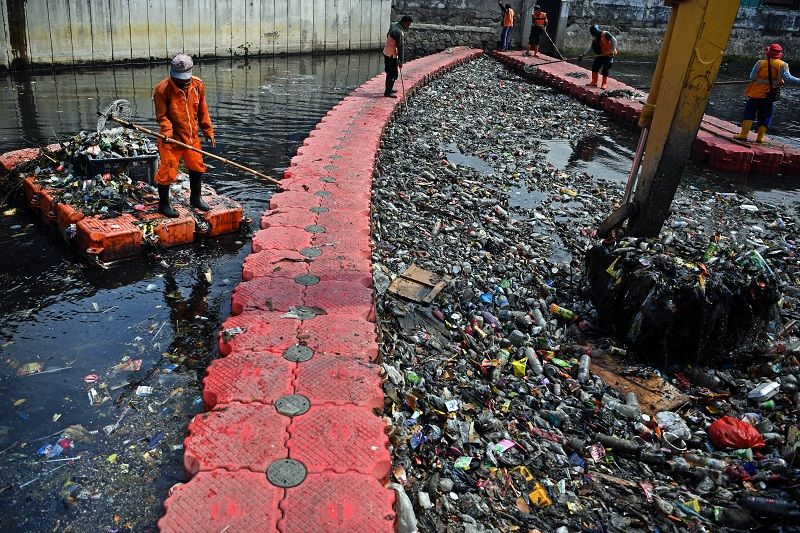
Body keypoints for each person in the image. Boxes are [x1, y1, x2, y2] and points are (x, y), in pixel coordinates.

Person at [153, 54, 215, 218]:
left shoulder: (197, 85)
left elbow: (202, 110)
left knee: (197, 165)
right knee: (167, 171)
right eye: (179, 79)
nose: (184, 81)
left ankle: (196, 198)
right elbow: (162, 116)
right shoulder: (161, 90)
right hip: (171, 138)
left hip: (191, 135)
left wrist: (207, 131)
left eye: (186, 78)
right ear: (172, 74)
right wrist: (166, 132)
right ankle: (164, 205)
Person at [734, 43, 800, 143]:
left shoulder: (759, 63)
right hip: (769, 95)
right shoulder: (783, 65)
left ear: (768, 53)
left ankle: (743, 134)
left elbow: (752, 77)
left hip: (755, 94)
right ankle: (760, 138)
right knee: (765, 115)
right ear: (779, 54)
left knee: (749, 113)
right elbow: (789, 79)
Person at [580, 24, 618, 90]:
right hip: (601, 54)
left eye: (594, 34)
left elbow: (614, 41)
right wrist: (583, 55)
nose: (594, 35)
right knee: (595, 67)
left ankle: (604, 83)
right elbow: (591, 47)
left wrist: (611, 51)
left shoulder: (605, 34)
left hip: (608, 55)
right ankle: (594, 82)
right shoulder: (595, 38)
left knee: (605, 69)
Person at [383, 15, 412, 98]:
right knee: (393, 74)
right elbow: (400, 47)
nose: (408, 26)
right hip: (391, 54)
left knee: (389, 72)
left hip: (387, 51)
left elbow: (388, 35)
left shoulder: (394, 24)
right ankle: (387, 92)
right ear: (404, 22)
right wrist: (401, 61)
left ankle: (389, 89)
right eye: (408, 24)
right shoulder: (399, 32)